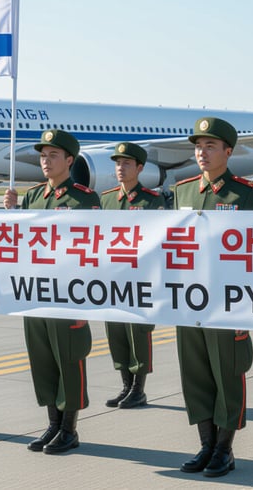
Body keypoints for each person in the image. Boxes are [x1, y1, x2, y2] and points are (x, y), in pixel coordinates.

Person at [174, 117, 253, 478]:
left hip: (228, 301)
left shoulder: (246, 193)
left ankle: (225, 449)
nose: (202, 152)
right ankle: (205, 445)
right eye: (198, 146)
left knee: (227, 376)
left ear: (228, 151)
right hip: (189, 299)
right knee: (195, 375)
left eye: (210, 146)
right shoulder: (183, 191)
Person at [4, 130, 100, 455]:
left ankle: (69, 429)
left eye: (53, 156)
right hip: (37, 291)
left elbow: (93, 247)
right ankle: (53, 425)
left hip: (68, 292)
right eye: (43, 156)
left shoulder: (85, 199)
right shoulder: (32, 197)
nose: (45, 161)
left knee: (67, 360)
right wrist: (11, 214)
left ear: (69, 161)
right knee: (43, 360)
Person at [99, 142, 165, 409]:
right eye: (117, 163)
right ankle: (125, 385)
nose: (120, 168)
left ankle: (139, 388)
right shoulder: (105, 199)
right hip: (112, 278)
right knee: (115, 332)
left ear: (140, 168)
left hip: (140, 278)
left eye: (127, 163)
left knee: (137, 332)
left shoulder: (152, 200)